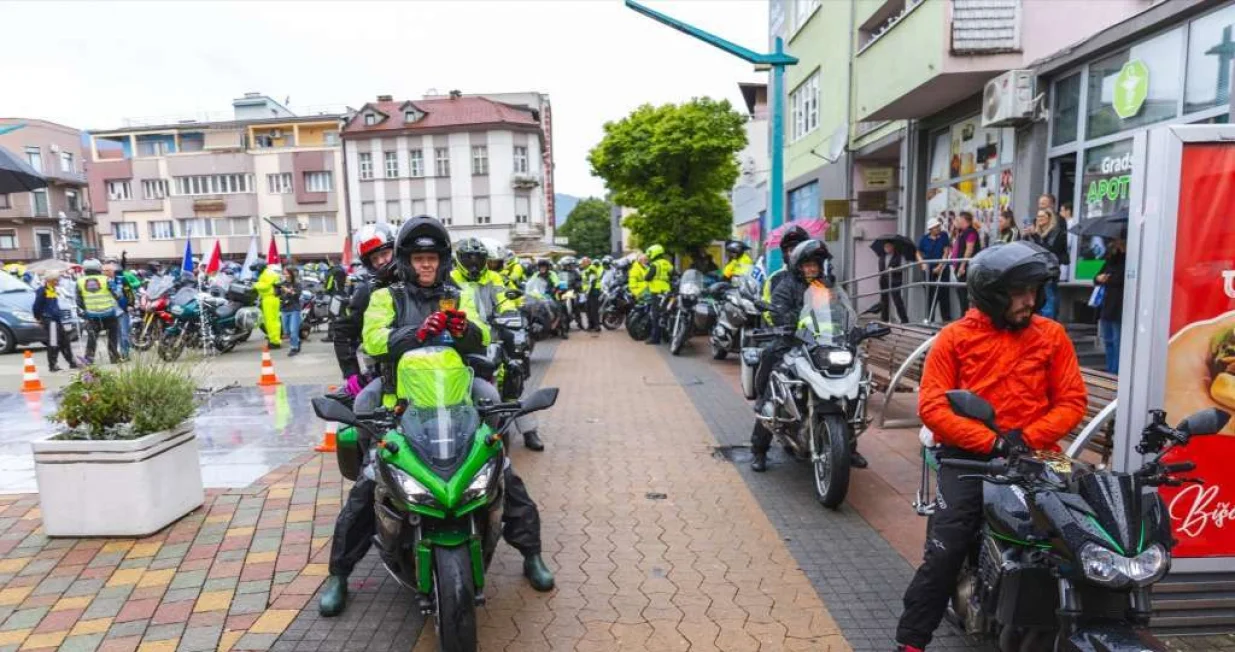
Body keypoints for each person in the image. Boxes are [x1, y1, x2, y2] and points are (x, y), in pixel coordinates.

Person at [319, 215, 553, 616]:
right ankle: (339, 573)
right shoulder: (386, 297)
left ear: (442, 260)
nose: (425, 265)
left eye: (432, 258)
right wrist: (417, 332)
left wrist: (464, 330)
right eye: (418, 258)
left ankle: (531, 553)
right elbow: (373, 339)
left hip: (456, 396)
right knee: (368, 481)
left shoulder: (456, 293)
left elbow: (481, 331)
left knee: (501, 465)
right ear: (406, 261)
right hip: (399, 399)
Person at [894, 241, 1087, 652]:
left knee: (1083, 528)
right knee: (946, 551)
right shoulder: (954, 338)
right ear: (993, 293)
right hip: (969, 456)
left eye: (1035, 291)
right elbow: (932, 405)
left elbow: (1072, 401)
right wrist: (992, 441)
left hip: (1038, 452)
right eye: (1021, 292)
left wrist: (1027, 438)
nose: (1030, 301)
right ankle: (911, 642)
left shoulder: (1051, 335)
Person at [747, 240, 870, 471]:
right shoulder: (785, 285)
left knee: (853, 383)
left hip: (823, 344)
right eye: (807, 265)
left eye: (815, 264)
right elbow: (775, 312)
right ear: (798, 266)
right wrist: (785, 321)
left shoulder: (828, 286)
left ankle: (847, 447)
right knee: (774, 384)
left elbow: (841, 311)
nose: (812, 269)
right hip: (792, 342)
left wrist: (855, 330)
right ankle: (759, 449)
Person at [332, 223, 397, 391]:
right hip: (386, 375)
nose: (381, 261)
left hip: (433, 368)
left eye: (384, 254)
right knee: (362, 406)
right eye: (374, 259)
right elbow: (343, 331)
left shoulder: (423, 280)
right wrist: (351, 373)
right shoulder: (367, 291)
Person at [761, 225, 811, 324]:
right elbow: (771, 312)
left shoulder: (816, 274)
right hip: (788, 333)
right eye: (792, 249)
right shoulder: (776, 278)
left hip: (818, 334)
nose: (796, 253)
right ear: (785, 253)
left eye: (800, 248)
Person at [75, 258, 121, 365]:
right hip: (109, 314)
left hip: (92, 315)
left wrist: (87, 309)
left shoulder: (80, 282)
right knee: (112, 337)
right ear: (99, 268)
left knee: (92, 338)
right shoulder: (106, 280)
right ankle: (114, 357)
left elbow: (78, 301)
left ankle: (88, 360)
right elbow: (117, 295)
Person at [1026, 208, 1069, 319]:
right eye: (1038, 217)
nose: (1039, 219)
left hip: (1050, 270)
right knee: (1047, 294)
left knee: (1049, 295)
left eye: (1042, 216)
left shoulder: (1055, 233)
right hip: (1039, 269)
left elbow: (1048, 251)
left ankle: (1049, 320)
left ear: (1050, 218)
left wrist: (1035, 236)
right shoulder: (1039, 232)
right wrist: (1028, 235)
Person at [1094, 233, 1126, 374]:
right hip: (1107, 304)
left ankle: (1115, 371)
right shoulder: (1110, 260)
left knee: (1117, 340)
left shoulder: (1127, 260)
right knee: (1108, 339)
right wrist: (1100, 278)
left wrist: (1107, 279)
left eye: (1117, 243)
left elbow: (1121, 279)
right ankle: (1110, 368)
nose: (1114, 246)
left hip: (1119, 304)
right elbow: (1096, 278)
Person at [33, 271, 76, 372]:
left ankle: (72, 362)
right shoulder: (42, 290)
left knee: (65, 340)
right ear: (50, 280)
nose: (58, 282)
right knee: (53, 342)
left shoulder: (53, 289)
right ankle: (52, 365)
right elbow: (36, 306)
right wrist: (38, 318)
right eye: (56, 280)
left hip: (56, 319)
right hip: (49, 319)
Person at [916, 217, 952, 322]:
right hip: (929, 269)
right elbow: (917, 252)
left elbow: (946, 251)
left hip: (942, 268)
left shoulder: (943, 236)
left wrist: (940, 266)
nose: (938, 228)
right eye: (936, 227)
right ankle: (929, 319)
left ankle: (946, 319)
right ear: (930, 229)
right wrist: (921, 263)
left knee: (944, 293)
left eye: (939, 226)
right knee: (929, 294)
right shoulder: (924, 239)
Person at [951, 211, 981, 312]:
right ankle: (963, 314)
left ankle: (964, 315)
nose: (957, 222)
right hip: (959, 266)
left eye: (958, 220)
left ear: (964, 220)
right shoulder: (962, 232)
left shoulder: (971, 232)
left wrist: (962, 266)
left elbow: (969, 249)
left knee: (964, 293)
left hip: (965, 268)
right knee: (960, 292)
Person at [644, 244, 673, 345]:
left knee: (656, 316)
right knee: (665, 314)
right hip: (667, 292)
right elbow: (673, 274)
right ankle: (666, 336)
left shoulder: (655, 265)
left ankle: (655, 338)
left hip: (656, 293)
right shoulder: (667, 263)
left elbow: (647, 277)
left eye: (650, 254)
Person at [252, 259, 282, 348]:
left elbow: (266, 285)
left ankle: (275, 341)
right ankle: (273, 338)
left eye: (256, 269)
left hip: (270, 298)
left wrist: (254, 285)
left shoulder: (268, 274)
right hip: (269, 298)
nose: (256, 271)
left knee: (271, 321)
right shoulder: (267, 273)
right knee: (271, 320)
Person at [877, 241, 909, 323]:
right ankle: (884, 319)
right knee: (884, 300)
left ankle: (904, 320)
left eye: (888, 246)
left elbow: (904, 267)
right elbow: (880, 268)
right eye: (885, 247)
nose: (886, 248)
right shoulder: (882, 256)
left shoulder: (899, 256)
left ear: (893, 247)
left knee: (897, 300)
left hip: (895, 280)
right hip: (884, 280)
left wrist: (894, 270)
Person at [279, 266, 304, 356]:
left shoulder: (297, 284)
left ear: (291, 274)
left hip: (294, 309)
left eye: (286, 273)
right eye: (284, 273)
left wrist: (288, 291)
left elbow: (297, 296)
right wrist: (277, 291)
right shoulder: (282, 284)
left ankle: (294, 348)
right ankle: (297, 341)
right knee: (287, 332)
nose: (285, 274)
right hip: (284, 309)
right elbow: (278, 295)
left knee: (293, 331)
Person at [581, 256, 603, 332]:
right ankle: (591, 325)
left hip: (593, 292)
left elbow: (591, 281)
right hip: (588, 292)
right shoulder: (585, 270)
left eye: (585, 262)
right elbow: (585, 282)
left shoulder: (591, 269)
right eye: (583, 262)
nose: (583, 263)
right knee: (588, 309)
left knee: (593, 310)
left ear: (588, 262)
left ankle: (596, 326)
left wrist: (587, 292)